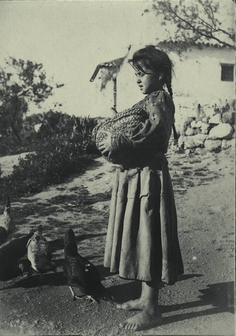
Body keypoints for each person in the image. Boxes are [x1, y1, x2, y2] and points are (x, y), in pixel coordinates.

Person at [96, 45, 184, 332]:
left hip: (150, 178)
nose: (137, 79)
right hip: (141, 175)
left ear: (159, 75)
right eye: (135, 74)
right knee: (142, 235)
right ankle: (146, 298)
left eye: (142, 73)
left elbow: (153, 134)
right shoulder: (152, 99)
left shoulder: (158, 100)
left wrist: (118, 142)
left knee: (149, 236)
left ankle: (152, 309)